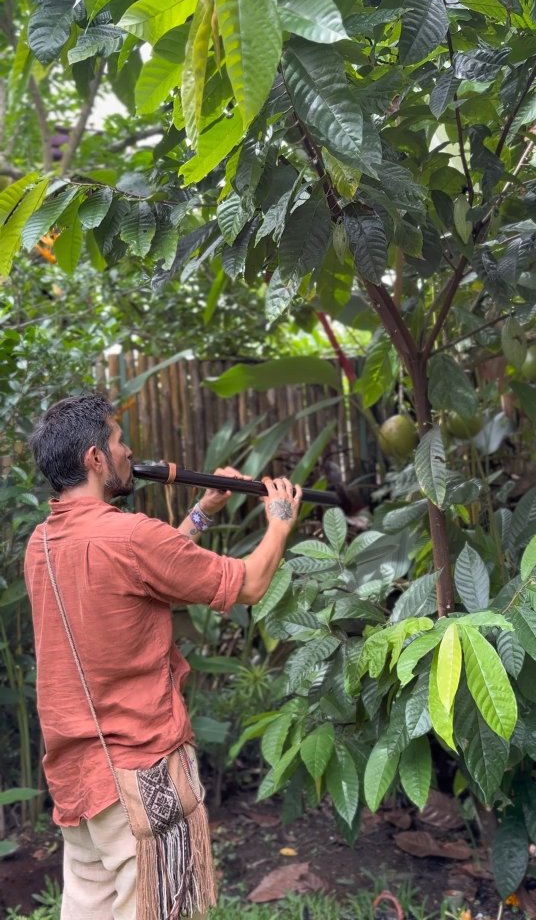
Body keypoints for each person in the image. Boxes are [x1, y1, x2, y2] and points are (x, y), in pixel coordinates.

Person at [24, 393, 302, 920]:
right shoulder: (129, 536)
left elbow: (147, 576)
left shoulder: (41, 542)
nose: (128, 451)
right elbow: (247, 584)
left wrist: (201, 513)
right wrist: (281, 520)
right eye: (117, 439)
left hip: (79, 779)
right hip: (140, 775)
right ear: (93, 458)